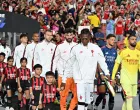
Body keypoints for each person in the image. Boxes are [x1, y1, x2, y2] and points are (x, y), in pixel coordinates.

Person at [60, 29, 110, 110]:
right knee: (81, 101)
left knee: (88, 101)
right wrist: (63, 80)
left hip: (90, 79)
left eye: (86, 38)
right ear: (80, 37)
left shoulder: (96, 48)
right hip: (79, 80)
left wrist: (107, 73)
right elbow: (69, 65)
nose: (84, 40)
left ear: (90, 37)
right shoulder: (75, 49)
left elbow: (102, 61)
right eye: (82, 38)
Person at [112, 35, 140, 110]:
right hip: (125, 80)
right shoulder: (123, 52)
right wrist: (112, 77)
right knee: (129, 99)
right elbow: (116, 64)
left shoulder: (138, 53)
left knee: (128, 100)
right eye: (132, 39)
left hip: (134, 80)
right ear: (128, 41)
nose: (134, 41)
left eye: (135, 39)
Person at [52, 28, 78, 110]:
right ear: (64, 36)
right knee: (63, 96)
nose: (69, 36)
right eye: (67, 35)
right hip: (62, 76)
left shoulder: (77, 46)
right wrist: (53, 74)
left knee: (77, 95)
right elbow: (55, 60)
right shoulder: (60, 47)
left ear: (73, 35)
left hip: (75, 75)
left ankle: (70, 109)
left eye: (71, 34)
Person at [94, 34, 117, 110]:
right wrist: (100, 74)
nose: (113, 41)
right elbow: (98, 62)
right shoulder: (102, 49)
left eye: (114, 40)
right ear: (107, 40)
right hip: (103, 75)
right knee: (102, 94)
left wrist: (116, 75)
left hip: (111, 76)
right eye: (112, 39)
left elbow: (116, 64)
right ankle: (96, 106)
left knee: (111, 95)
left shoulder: (115, 51)